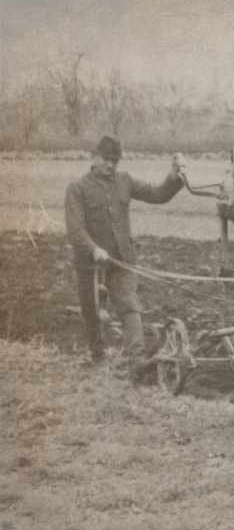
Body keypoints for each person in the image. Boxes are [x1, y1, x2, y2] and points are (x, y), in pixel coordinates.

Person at [64, 135, 187, 379]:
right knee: (92, 310)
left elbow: (158, 195)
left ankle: (137, 362)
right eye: (106, 160)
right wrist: (94, 249)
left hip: (122, 259)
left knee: (130, 306)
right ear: (94, 157)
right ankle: (98, 356)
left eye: (115, 161)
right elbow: (75, 228)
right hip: (91, 264)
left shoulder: (125, 180)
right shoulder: (77, 188)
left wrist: (173, 177)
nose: (110, 165)